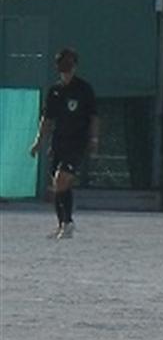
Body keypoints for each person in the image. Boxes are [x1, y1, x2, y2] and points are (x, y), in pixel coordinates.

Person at [29, 48, 99, 239]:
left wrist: (94, 139)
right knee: (59, 184)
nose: (67, 69)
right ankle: (64, 224)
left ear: (75, 66)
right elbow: (47, 119)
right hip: (58, 142)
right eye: (63, 65)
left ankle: (67, 223)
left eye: (70, 64)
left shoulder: (84, 89)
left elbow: (94, 116)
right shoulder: (55, 91)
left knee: (61, 179)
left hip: (77, 142)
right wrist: (38, 142)